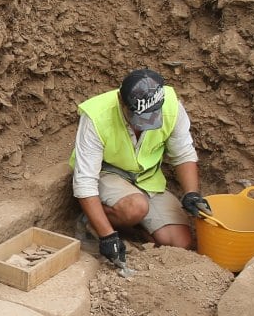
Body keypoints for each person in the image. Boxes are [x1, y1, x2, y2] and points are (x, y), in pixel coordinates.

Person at [71, 68, 213, 269]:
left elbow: (183, 153)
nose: (144, 125)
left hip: (146, 178)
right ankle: (91, 223)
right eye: (138, 117)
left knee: (179, 243)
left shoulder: (171, 105)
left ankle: (131, 226)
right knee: (135, 207)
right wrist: (107, 237)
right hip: (108, 172)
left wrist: (191, 193)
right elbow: (85, 181)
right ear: (121, 100)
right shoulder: (97, 115)